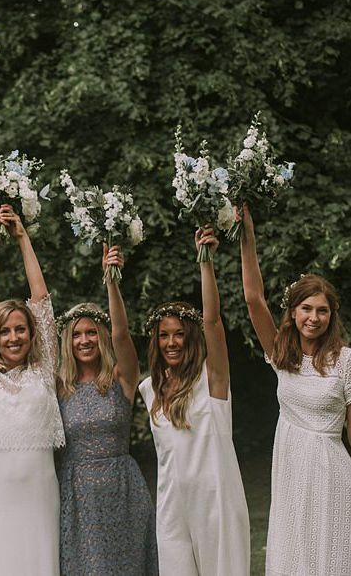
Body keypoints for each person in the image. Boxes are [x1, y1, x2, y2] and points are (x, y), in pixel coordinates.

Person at [239, 205, 351, 575]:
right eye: (306, 309)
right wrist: (247, 236)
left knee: (329, 554)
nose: (313, 318)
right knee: (293, 553)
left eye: (322, 311)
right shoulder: (280, 354)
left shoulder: (346, 360)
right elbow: (254, 299)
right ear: (293, 312)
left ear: (331, 317)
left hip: (331, 469)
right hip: (289, 467)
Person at [138, 226, 250, 576]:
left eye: (180, 335)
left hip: (215, 498)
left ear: (191, 339)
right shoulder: (149, 389)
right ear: (156, 342)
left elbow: (213, 322)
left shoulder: (211, 379)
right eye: (164, 336)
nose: (172, 342)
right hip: (172, 505)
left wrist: (206, 261)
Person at [0, 204, 64, 576]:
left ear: (31, 334)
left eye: (20, 329)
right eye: (5, 331)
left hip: (38, 496)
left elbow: (42, 303)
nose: (13, 337)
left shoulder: (44, 370)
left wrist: (22, 238)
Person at [56, 244, 158, 576]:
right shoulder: (59, 386)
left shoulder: (121, 379)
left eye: (90, 333)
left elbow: (122, 334)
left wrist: (111, 282)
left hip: (123, 487)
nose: (84, 340)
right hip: (77, 492)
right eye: (76, 335)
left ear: (101, 337)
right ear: (67, 343)